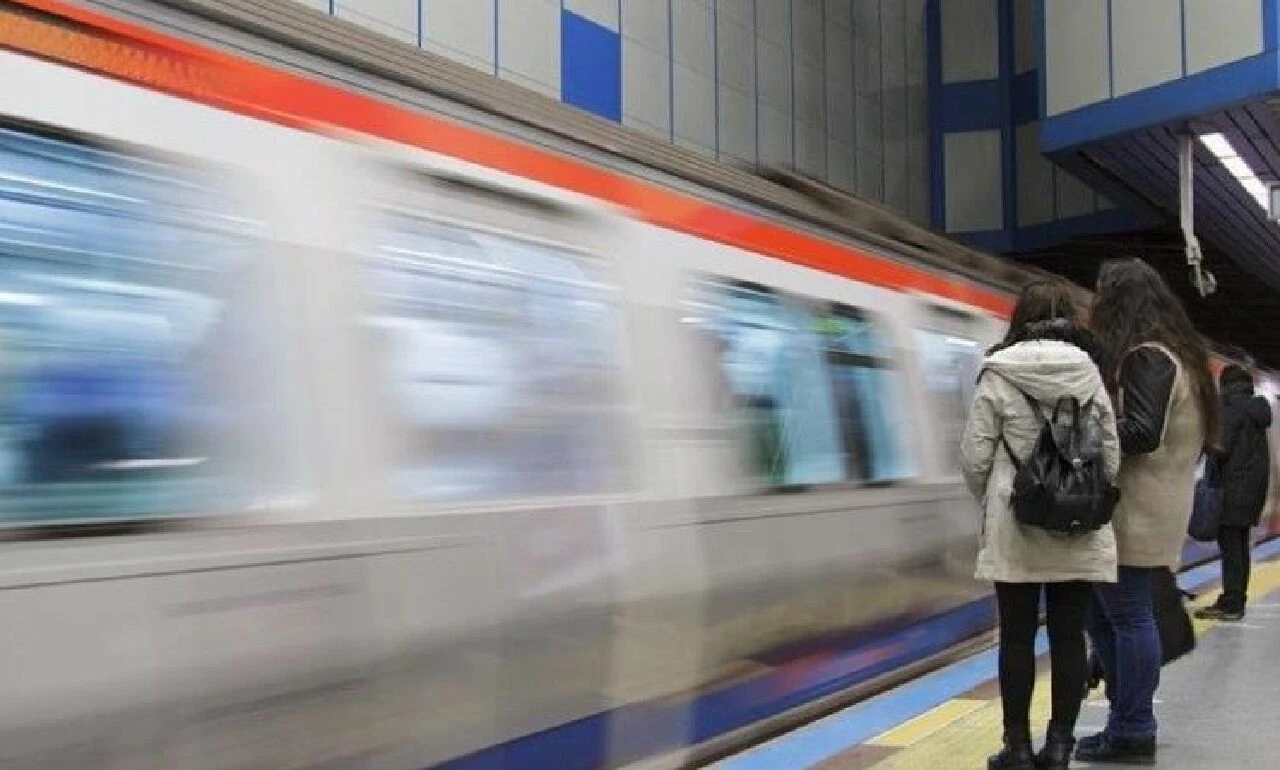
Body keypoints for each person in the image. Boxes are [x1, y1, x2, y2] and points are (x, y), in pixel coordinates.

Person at [960, 278, 1120, 770]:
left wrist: (996, 499)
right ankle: (1060, 747)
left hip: (1017, 525)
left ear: (1019, 319)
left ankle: (1018, 749)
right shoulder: (1089, 375)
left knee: (1017, 637)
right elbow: (1111, 456)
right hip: (1075, 527)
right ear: (1071, 320)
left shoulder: (998, 373)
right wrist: (1079, 496)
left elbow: (974, 458)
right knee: (1070, 636)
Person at [1079, 258, 1219, 765]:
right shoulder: (1180, 356)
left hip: (1136, 511)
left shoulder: (1148, 357)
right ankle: (1125, 720)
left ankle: (1134, 727)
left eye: (1101, 296)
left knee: (1127, 616)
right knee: (1107, 614)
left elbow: (1140, 432)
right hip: (1153, 506)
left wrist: (1083, 435)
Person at [1196, 364, 1272, 621]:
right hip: (1251, 492)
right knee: (1239, 547)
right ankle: (1236, 599)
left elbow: (1220, 447)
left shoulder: (1231, 410)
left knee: (1231, 548)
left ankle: (1231, 604)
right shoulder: (1255, 410)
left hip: (1232, 490)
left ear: (1225, 385)